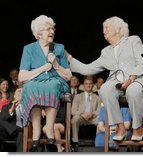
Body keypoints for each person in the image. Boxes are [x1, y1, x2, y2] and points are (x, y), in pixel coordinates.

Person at [66, 16, 143, 142]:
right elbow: (87, 69)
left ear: (118, 29)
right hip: (118, 82)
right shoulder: (106, 52)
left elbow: (142, 62)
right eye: (103, 29)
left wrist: (131, 79)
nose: (104, 31)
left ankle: (137, 127)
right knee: (105, 88)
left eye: (107, 28)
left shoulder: (133, 40)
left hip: (139, 78)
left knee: (133, 90)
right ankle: (120, 127)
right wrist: (69, 58)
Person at [18, 15, 72, 149]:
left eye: (53, 29)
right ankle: (36, 129)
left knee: (52, 85)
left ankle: (49, 127)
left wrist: (56, 65)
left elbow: (69, 76)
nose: (52, 31)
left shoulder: (59, 48)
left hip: (55, 81)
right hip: (36, 81)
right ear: (39, 33)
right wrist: (43, 68)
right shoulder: (29, 49)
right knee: (30, 87)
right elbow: (21, 76)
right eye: (48, 29)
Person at [71, 76, 101, 151]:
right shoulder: (77, 96)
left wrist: (92, 114)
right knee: (75, 119)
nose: (88, 85)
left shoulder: (97, 97)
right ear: (83, 85)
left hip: (92, 118)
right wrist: (82, 114)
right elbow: (73, 111)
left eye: (90, 84)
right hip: (82, 117)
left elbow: (99, 110)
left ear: (93, 85)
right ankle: (75, 142)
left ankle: (99, 142)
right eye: (86, 84)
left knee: (101, 120)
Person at [0, 88, 23, 152]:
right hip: (8, 133)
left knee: (21, 133)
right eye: (18, 91)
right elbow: (2, 120)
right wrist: (11, 111)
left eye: (21, 92)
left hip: (22, 131)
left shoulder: (28, 107)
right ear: (14, 95)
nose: (19, 93)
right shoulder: (6, 106)